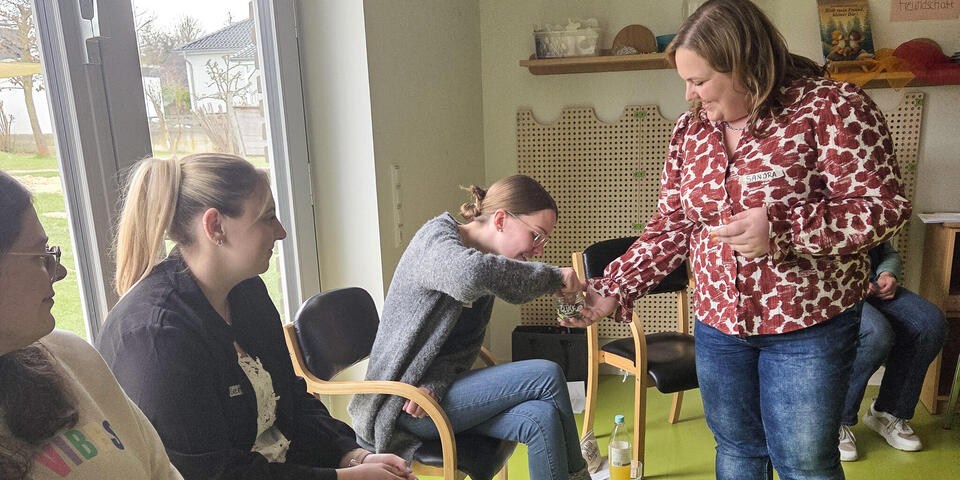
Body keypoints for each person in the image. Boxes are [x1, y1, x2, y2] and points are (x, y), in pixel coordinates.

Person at [570, 1, 911, 479]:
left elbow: (884, 206)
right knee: (737, 451)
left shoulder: (833, 108)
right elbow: (673, 225)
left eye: (700, 80)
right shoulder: (691, 130)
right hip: (719, 323)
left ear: (747, 65)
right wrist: (612, 287)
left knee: (805, 462)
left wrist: (785, 228)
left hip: (807, 323)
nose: (689, 95)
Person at [95, 154, 415, 480]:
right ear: (215, 226)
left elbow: (290, 402)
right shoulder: (157, 338)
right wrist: (343, 479)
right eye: (268, 218)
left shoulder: (247, 292)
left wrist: (352, 455)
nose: (281, 232)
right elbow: (215, 474)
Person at [348, 175, 590, 480]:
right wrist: (553, 278)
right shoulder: (436, 241)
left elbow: (464, 348)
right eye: (536, 236)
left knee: (541, 418)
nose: (539, 250)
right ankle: (582, 476)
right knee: (547, 374)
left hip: (431, 396)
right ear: (501, 219)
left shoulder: (487, 262)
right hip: (400, 405)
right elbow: (468, 276)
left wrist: (435, 383)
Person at [0, 170, 182, 480]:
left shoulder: (71, 356)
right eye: (39, 256)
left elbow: (162, 471)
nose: (59, 272)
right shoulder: (154, 326)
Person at [837, 242, 947, 461]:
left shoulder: (867, 208)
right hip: (833, 292)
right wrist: (852, 280)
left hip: (871, 287)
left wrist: (888, 273)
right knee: (876, 334)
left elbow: (886, 251)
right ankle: (833, 422)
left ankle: (888, 412)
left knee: (931, 324)